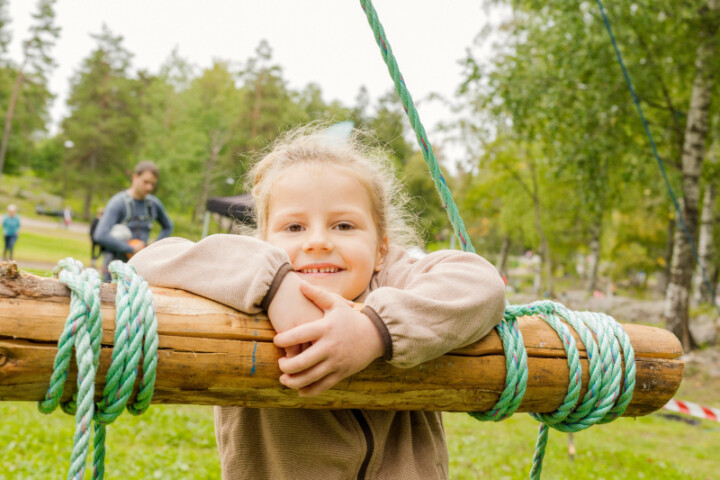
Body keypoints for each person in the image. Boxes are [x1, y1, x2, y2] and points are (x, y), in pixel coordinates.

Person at [129, 127, 506, 480]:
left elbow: (481, 282)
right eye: (294, 227)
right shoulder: (240, 280)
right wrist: (274, 283)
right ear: (261, 242)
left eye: (344, 226)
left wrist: (375, 329)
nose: (318, 241)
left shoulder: (395, 279)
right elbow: (146, 262)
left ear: (381, 249)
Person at [94, 161, 173, 282]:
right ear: (135, 177)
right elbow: (100, 235)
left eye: (152, 184)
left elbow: (168, 226)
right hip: (115, 269)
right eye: (145, 182)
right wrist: (130, 248)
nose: (149, 187)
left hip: (141, 269)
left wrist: (153, 248)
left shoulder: (153, 204)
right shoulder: (118, 202)